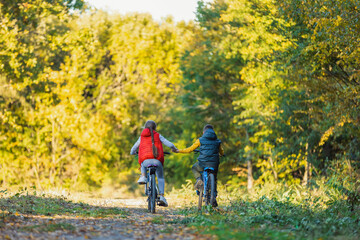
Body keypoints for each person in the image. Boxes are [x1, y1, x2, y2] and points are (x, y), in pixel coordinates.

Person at [130, 120, 177, 207]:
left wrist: (133, 153)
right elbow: (170, 144)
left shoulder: (141, 137)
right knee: (160, 177)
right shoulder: (158, 135)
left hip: (145, 161)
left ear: (145, 127)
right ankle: (162, 196)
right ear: (155, 128)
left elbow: (133, 149)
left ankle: (143, 176)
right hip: (157, 160)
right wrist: (174, 149)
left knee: (142, 162)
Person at [175, 124, 224, 207]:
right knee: (214, 179)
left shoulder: (200, 140)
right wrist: (222, 154)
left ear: (204, 132)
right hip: (214, 163)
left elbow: (190, 149)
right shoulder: (217, 141)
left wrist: (179, 150)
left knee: (194, 167)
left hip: (203, 163)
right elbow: (221, 152)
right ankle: (214, 197)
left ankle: (198, 180)